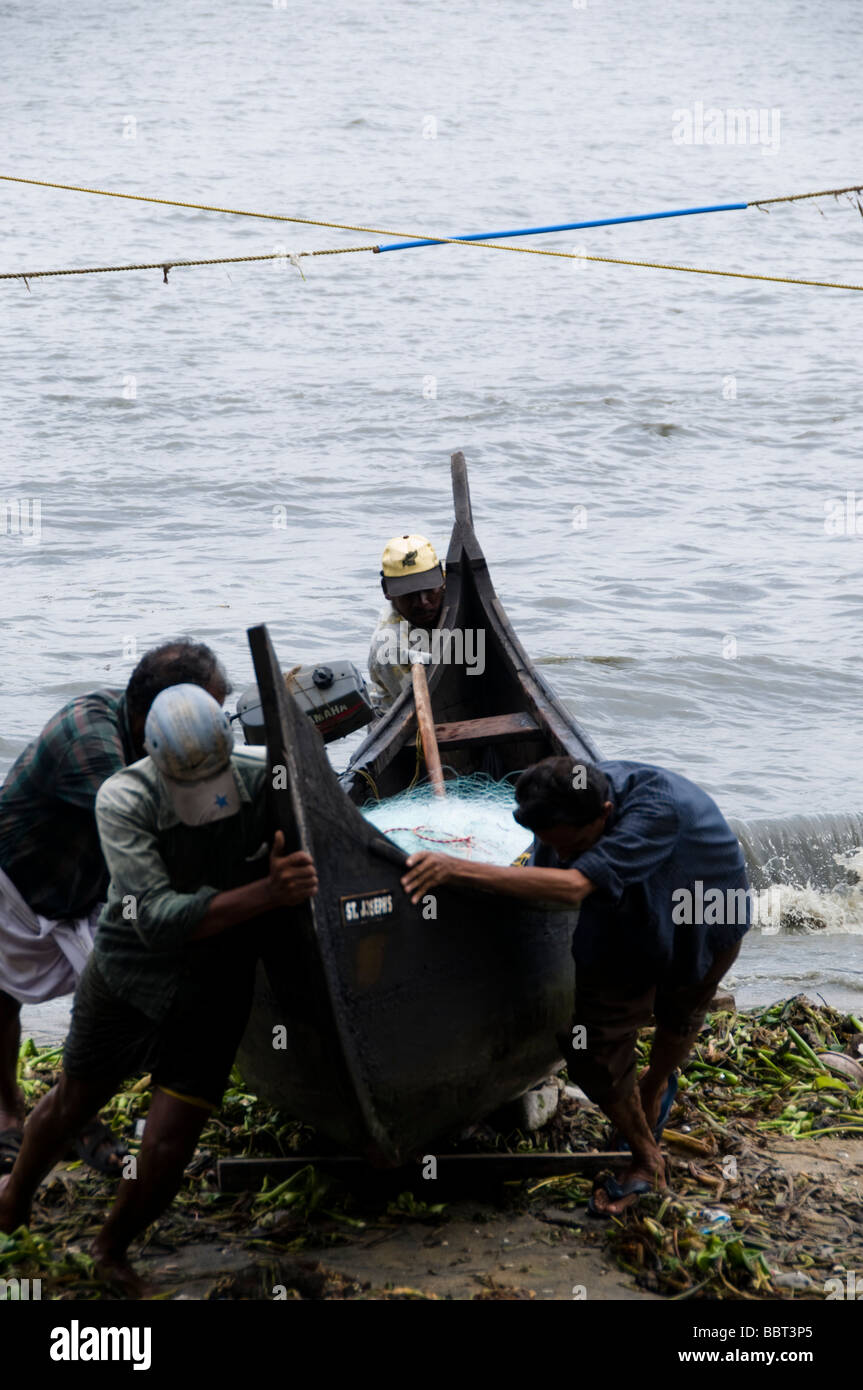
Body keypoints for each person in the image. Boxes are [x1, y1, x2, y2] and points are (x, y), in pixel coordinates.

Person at [0, 683, 318, 1295]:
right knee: (71, 1102)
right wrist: (268, 893)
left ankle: (110, 1247)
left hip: (217, 987)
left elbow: (321, 826)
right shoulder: (124, 797)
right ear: (150, 758)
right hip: (128, 976)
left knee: (170, 1140)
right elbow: (158, 918)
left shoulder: (264, 779)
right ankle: (13, 1199)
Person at [400, 756, 751, 1216]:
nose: (560, 853)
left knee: (680, 1015)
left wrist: (454, 869)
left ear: (605, 813)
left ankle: (654, 1087)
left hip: (705, 913)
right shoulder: (566, 796)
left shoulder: (655, 810)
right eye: (552, 845)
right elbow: (547, 870)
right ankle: (648, 1159)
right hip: (621, 916)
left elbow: (572, 885)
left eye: (574, 845)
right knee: (592, 1049)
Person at [0, 639, 230, 1178]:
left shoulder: (162, 740)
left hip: (83, 886)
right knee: (2, 993)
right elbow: (157, 830)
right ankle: (8, 1116)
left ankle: (64, 1110)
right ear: (160, 715)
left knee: (117, 997)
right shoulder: (90, 739)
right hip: (16, 874)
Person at [368, 534, 445, 708]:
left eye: (429, 590)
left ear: (442, 579)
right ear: (387, 591)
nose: (423, 602)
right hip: (404, 713)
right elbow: (429, 705)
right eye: (410, 595)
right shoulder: (389, 647)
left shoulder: (450, 587)